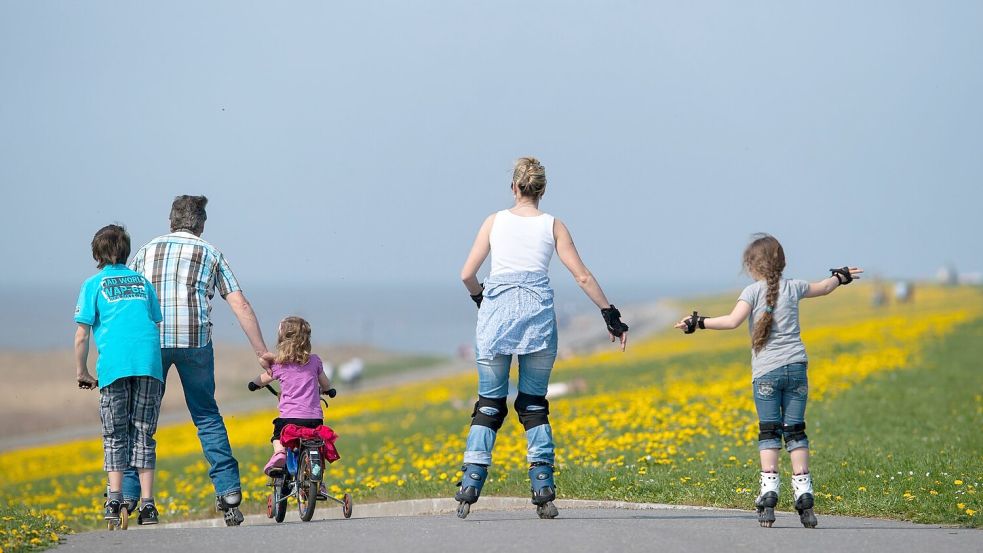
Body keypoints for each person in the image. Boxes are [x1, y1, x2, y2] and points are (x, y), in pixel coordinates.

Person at [454, 157, 629, 520]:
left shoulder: (494, 221)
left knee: (489, 403)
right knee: (533, 405)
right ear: (542, 190)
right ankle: (543, 487)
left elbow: (467, 274)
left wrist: (480, 299)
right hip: (537, 321)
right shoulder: (554, 226)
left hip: (496, 319)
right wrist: (609, 314)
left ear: (514, 188)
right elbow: (581, 276)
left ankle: (470, 482)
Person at [673, 233, 863, 529]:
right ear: (782, 262)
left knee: (769, 432)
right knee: (796, 431)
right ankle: (805, 497)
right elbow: (825, 287)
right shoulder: (795, 287)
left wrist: (697, 322)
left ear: (751, 266)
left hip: (766, 373)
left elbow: (732, 321)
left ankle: (769, 493)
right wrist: (841, 276)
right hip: (797, 367)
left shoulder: (751, 292)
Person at [123, 195, 273, 526]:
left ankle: (131, 496)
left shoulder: (146, 251)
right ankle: (229, 492)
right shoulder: (210, 252)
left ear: (170, 221)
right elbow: (241, 305)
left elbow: (129, 301)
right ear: (201, 224)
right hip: (195, 342)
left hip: (152, 343)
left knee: (142, 420)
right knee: (206, 416)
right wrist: (262, 352)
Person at [74, 225, 165, 527]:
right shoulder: (142, 282)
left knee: (115, 433)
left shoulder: (94, 284)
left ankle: (114, 498)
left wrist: (82, 371)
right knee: (143, 433)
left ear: (96, 254)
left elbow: (81, 336)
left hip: (114, 367)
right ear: (126, 251)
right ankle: (148, 505)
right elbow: (153, 321)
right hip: (149, 365)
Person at [248, 316, 334, 481]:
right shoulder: (314, 361)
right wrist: (328, 390)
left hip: (289, 419)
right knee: (316, 444)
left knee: (277, 436)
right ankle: (318, 481)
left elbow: (262, 379)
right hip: (314, 420)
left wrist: (254, 384)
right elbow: (326, 383)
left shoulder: (279, 364)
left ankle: (279, 452)